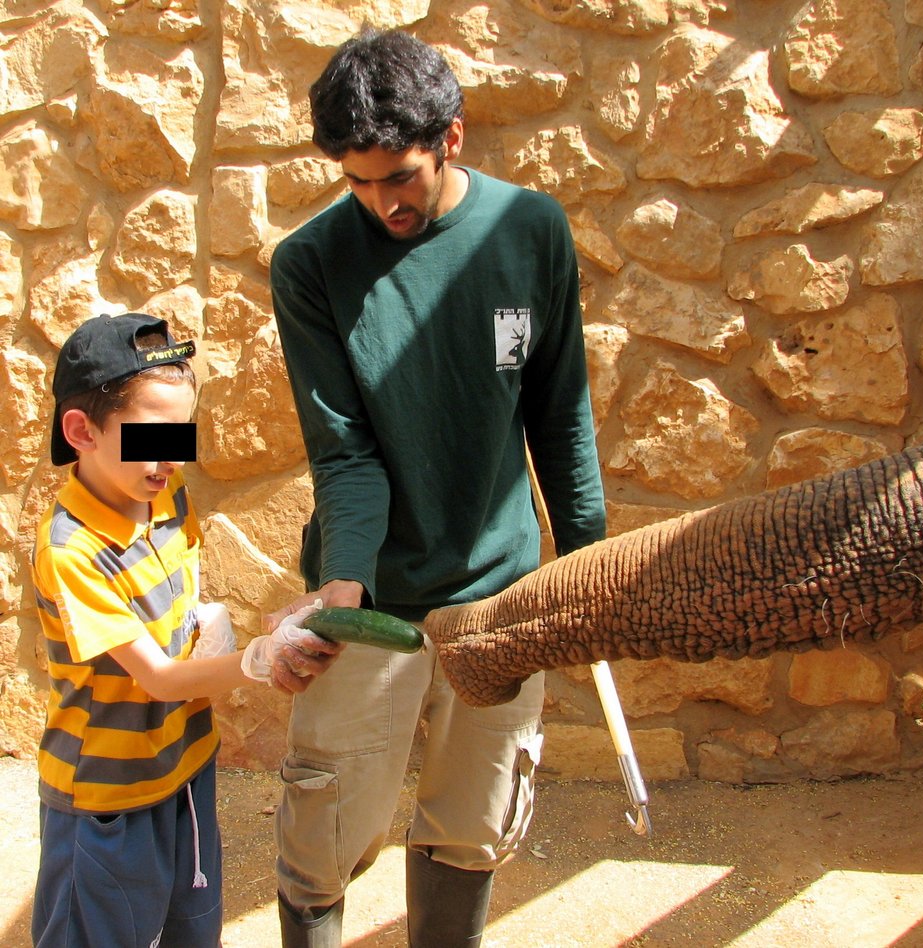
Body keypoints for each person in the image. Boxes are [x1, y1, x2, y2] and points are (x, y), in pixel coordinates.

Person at [267, 27, 607, 948]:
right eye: (356, 182)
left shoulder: (530, 230)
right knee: (325, 828)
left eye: (399, 176)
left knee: (472, 826)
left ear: (450, 139)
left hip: (499, 595)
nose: (381, 203)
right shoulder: (307, 265)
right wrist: (345, 585)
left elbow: (559, 412)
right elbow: (344, 453)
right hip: (371, 604)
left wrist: (589, 566)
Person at [30, 312, 340, 948]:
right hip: (107, 799)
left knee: (192, 933)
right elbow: (159, 677)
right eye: (149, 435)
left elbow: (178, 608)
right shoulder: (72, 550)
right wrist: (258, 657)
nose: (170, 457)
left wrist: (205, 621)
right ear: (80, 430)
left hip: (187, 764)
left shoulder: (166, 496)